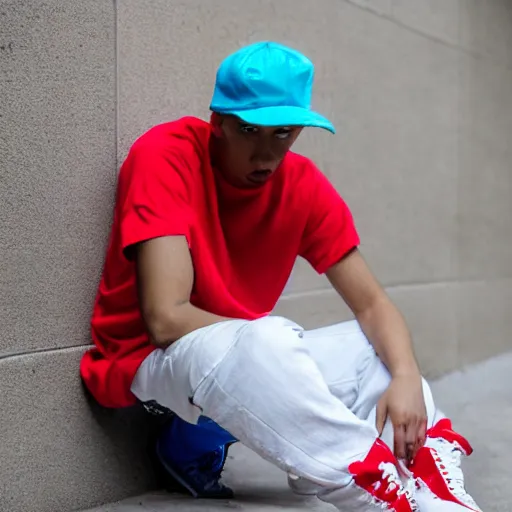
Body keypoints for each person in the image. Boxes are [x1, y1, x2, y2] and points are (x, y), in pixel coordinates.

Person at [80, 41, 482, 511]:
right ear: (219, 123)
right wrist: (277, 345)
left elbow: (373, 305)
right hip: (150, 360)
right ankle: (370, 485)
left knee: (370, 350)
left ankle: (435, 484)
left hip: (253, 359)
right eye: (250, 130)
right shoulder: (165, 156)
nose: (265, 154)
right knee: (268, 341)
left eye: (284, 133)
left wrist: (407, 375)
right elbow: (165, 319)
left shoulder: (301, 183)